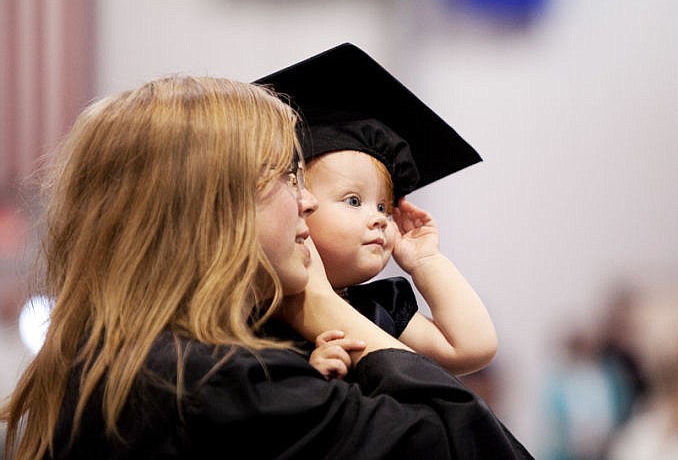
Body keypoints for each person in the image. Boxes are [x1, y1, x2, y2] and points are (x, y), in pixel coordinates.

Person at [0, 75, 533, 459]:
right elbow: (470, 443)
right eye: (287, 177)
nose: (305, 204)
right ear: (209, 207)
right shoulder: (211, 383)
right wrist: (319, 302)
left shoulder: (133, 360)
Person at [256, 43, 498, 377]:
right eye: (353, 201)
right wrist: (307, 376)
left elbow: (471, 348)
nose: (378, 219)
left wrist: (426, 261)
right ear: (298, 205)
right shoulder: (259, 312)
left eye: (384, 206)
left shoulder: (378, 308)